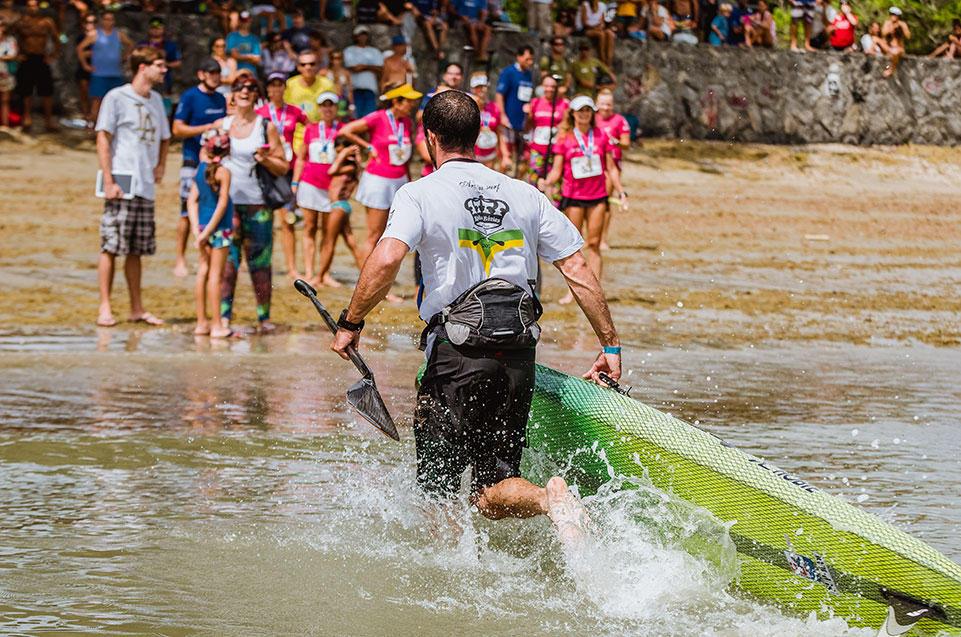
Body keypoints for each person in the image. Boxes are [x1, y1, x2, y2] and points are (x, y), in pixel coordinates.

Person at [329, 90, 622, 546]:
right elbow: (578, 268)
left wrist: (351, 323)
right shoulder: (525, 194)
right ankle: (549, 501)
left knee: (440, 492)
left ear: (429, 138)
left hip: (456, 354)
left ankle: (449, 583)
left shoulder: (418, 193)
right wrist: (610, 346)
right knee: (489, 492)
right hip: (518, 352)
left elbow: (386, 259)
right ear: (478, 134)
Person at [94, 46, 171, 328]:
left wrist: (161, 165)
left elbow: (165, 137)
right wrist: (109, 179)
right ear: (143, 67)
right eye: (160, 65)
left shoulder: (157, 100)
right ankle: (105, 306)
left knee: (137, 249)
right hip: (121, 181)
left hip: (145, 185)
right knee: (111, 246)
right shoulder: (116, 97)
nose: (164, 70)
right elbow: (103, 138)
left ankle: (136, 308)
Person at [539, 94, 628, 305]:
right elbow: (557, 170)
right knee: (573, 247)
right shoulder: (565, 138)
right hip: (574, 197)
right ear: (573, 114)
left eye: (588, 110)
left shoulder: (601, 136)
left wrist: (622, 192)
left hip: (597, 196)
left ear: (592, 113)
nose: (585, 114)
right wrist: (547, 183)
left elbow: (611, 168)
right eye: (581, 111)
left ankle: (596, 291)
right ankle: (574, 292)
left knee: (595, 244)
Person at [220, 76, 290, 332]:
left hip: (257, 205)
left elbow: (283, 166)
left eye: (251, 89)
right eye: (240, 88)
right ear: (233, 94)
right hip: (226, 207)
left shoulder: (266, 126)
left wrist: (265, 159)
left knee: (260, 264)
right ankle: (224, 318)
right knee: (227, 264)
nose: (245, 92)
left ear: (257, 96)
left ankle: (264, 319)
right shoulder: (223, 125)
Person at [338, 82, 421, 266]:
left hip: (399, 181)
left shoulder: (406, 122)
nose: (412, 105)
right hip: (378, 181)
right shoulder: (379, 117)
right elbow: (345, 130)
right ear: (396, 102)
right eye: (409, 101)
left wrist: (408, 184)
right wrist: (368, 146)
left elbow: (404, 157)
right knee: (375, 235)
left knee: (391, 235)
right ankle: (366, 283)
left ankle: (379, 281)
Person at [172, 57, 228, 278]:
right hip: (192, 159)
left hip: (216, 162)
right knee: (186, 210)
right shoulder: (190, 96)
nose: (216, 76)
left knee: (216, 209)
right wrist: (207, 127)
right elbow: (177, 129)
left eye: (218, 72)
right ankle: (180, 258)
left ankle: (212, 258)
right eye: (211, 72)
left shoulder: (221, 99)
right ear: (201, 74)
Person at [186, 130, 234, 338]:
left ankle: (201, 323)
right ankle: (216, 325)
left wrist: (199, 229)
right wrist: (208, 231)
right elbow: (222, 203)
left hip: (202, 228)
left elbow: (191, 201)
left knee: (202, 273)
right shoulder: (224, 172)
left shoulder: (200, 169)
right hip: (219, 229)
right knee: (216, 276)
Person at [259, 71, 307, 280]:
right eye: (272, 85)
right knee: (264, 219)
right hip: (267, 168)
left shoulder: (294, 112)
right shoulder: (260, 112)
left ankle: (291, 267)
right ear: (267, 89)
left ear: (285, 88)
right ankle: (261, 262)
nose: (276, 89)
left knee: (287, 221)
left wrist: (303, 149)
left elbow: (310, 129)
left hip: (288, 168)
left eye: (280, 85)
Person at [292, 91, 341, 286]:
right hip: (310, 183)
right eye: (324, 105)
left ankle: (324, 273)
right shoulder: (311, 129)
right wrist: (295, 183)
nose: (327, 109)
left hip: (332, 187)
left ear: (336, 108)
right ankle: (310, 271)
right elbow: (301, 158)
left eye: (331, 105)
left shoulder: (343, 129)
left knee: (328, 231)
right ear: (319, 108)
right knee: (310, 227)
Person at [318, 138, 364, 282]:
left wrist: (343, 154)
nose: (338, 154)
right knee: (351, 243)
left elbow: (331, 171)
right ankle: (365, 275)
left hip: (339, 206)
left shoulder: (349, 168)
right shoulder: (350, 167)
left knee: (328, 242)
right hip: (341, 206)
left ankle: (320, 277)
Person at [77, 12, 130, 137]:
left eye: (111, 19)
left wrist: (122, 57)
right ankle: (94, 131)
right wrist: (85, 65)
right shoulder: (94, 34)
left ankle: (113, 131)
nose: (108, 22)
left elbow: (130, 44)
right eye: (106, 19)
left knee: (117, 103)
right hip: (99, 74)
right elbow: (80, 48)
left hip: (115, 73)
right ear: (102, 21)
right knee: (97, 103)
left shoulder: (119, 34)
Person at [13, 0, 60, 131]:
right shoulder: (21, 22)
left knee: (47, 92)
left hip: (42, 58)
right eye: (29, 6)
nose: (32, 8)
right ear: (26, 8)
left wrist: (54, 55)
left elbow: (58, 38)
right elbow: (9, 37)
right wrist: (17, 54)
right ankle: (27, 120)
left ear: (38, 7)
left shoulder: (47, 22)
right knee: (26, 91)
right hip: (27, 58)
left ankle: (48, 122)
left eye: (34, 5)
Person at [594, 89, 629, 251]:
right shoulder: (591, 119)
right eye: (602, 104)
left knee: (605, 201)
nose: (606, 108)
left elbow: (626, 144)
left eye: (609, 104)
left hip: (612, 164)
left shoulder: (619, 120)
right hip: (593, 165)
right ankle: (590, 237)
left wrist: (615, 142)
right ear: (596, 104)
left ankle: (602, 239)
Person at [526, 74, 568, 199]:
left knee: (556, 183)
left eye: (553, 86)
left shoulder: (564, 104)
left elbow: (567, 126)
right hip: (538, 149)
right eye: (546, 86)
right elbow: (530, 125)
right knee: (534, 182)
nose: (549, 89)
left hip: (555, 150)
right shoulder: (535, 103)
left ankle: (558, 210)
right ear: (542, 87)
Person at [283, 50, 336, 149]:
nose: (308, 67)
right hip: (296, 137)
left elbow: (336, 109)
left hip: (321, 136)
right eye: (303, 64)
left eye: (312, 64)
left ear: (317, 66)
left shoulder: (327, 84)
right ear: (298, 67)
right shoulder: (290, 84)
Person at [494, 45, 534, 178]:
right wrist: (502, 115)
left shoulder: (528, 74)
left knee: (523, 159)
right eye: (527, 59)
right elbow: (499, 94)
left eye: (531, 60)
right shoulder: (509, 72)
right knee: (506, 158)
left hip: (523, 123)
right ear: (519, 56)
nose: (530, 62)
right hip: (509, 122)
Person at [137, 16, 181, 108]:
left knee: (165, 110)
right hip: (146, 81)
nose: (156, 30)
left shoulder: (170, 45)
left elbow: (178, 62)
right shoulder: (143, 45)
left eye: (158, 28)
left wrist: (163, 65)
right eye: (153, 28)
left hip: (164, 82)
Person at [468, 72, 507, 171]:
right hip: (471, 157)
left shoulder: (494, 107)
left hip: (490, 157)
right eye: (478, 87)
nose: (481, 90)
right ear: (472, 89)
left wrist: (505, 155)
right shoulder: (468, 106)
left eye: (483, 86)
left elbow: (499, 132)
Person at [343, 25, 383, 119]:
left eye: (365, 34)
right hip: (354, 91)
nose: (363, 37)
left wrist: (362, 66)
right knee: (355, 119)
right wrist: (371, 67)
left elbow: (380, 69)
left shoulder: (375, 51)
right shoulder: (349, 50)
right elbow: (353, 68)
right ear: (355, 36)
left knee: (370, 119)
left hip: (370, 91)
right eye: (360, 34)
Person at [73, 13, 96, 127]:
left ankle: (93, 118)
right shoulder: (81, 37)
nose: (89, 25)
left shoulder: (100, 37)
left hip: (97, 69)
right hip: (84, 68)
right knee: (84, 94)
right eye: (87, 22)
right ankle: (85, 118)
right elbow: (81, 53)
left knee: (95, 96)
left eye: (92, 22)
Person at [323, 49, 354, 120]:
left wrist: (351, 105)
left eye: (338, 58)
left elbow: (349, 90)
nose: (336, 61)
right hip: (328, 101)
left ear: (342, 60)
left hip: (341, 100)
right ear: (330, 59)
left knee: (341, 122)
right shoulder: (324, 72)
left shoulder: (345, 73)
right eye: (333, 58)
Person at [880, 7, 909, 78]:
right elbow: (882, 33)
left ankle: (891, 70)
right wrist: (891, 29)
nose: (893, 16)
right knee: (876, 40)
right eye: (891, 14)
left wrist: (901, 28)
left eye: (895, 15)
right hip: (889, 48)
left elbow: (908, 36)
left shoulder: (902, 24)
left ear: (898, 16)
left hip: (899, 49)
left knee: (895, 52)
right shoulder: (887, 23)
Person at [0, 16, 17, 128]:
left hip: (5, 74)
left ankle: (5, 126)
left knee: (5, 101)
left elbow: (13, 54)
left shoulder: (10, 40)